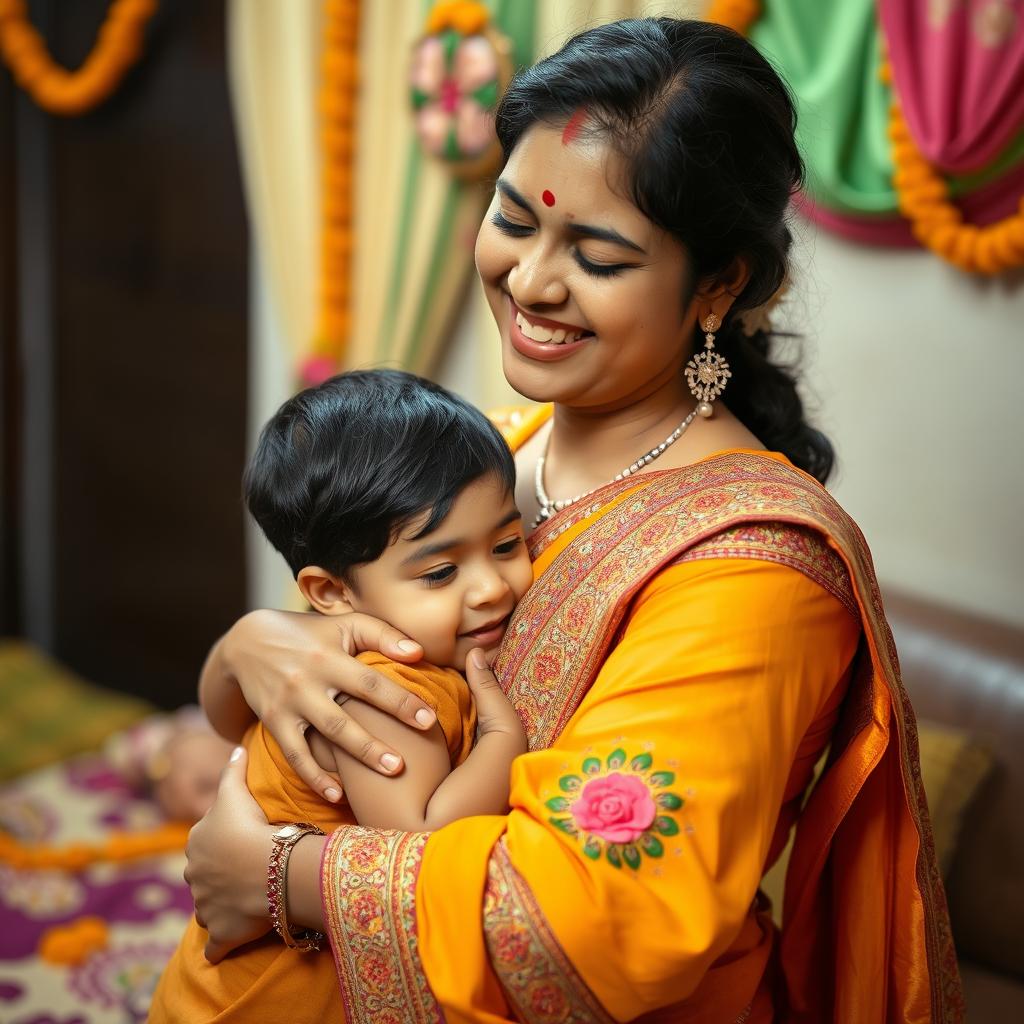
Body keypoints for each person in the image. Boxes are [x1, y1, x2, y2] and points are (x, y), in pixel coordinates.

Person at [181, 18, 963, 1023]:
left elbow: (582, 926)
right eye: (514, 217)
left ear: (719, 285)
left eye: (596, 254)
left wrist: (286, 876)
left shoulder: (756, 570)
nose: (531, 280)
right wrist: (254, 646)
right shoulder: (495, 455)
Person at [149, 370, 533, 1021]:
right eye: (442, 571)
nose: (492, 586)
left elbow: (223, 712)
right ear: (331, 593)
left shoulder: (336, 653)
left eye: (506, 543)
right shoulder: (385, 688)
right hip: (256, 1003)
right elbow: (423, 843)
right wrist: (504, 741)